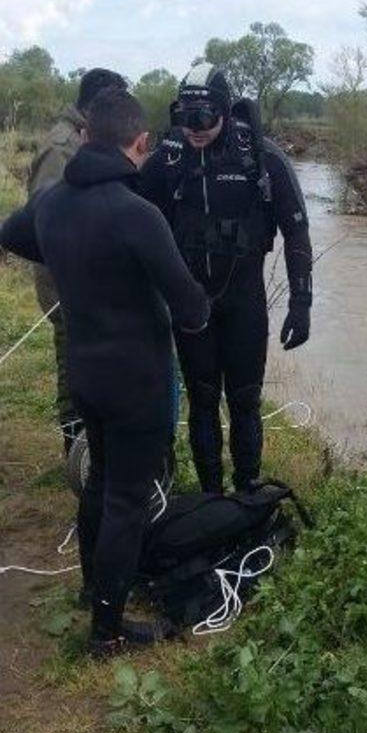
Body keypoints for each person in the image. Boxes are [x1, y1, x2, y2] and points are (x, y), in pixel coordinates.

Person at [0, 87, 210, 656]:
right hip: (136, 381)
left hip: (85, 372)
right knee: (126, 500)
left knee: (99, 482)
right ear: (140, 143)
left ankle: (96, 590)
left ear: (86, 136)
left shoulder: (52, 204)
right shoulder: (136, 214)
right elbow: (190, 309)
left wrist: (75, 258)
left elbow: (11, 234)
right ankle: (108, 631)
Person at [140, 64, 313, 494]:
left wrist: (301, 303)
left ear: (224, 110)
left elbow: (296, 229)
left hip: (244, 300)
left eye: (205, 118)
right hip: (191, 301)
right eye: (186, 118)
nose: (195, 129)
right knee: (201, 400)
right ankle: (211, 496)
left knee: (244, 400)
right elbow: (133, 218)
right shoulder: (169, 157)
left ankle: (247, 493)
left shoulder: (260, 155)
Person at [28, 67, 127, 455]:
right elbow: (44, 217)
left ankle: (93, 452)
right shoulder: (61, 146)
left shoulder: (87, 140)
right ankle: (78, 456)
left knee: (93, 366)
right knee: (74, 368)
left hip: (87, 279)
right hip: (65, 282)